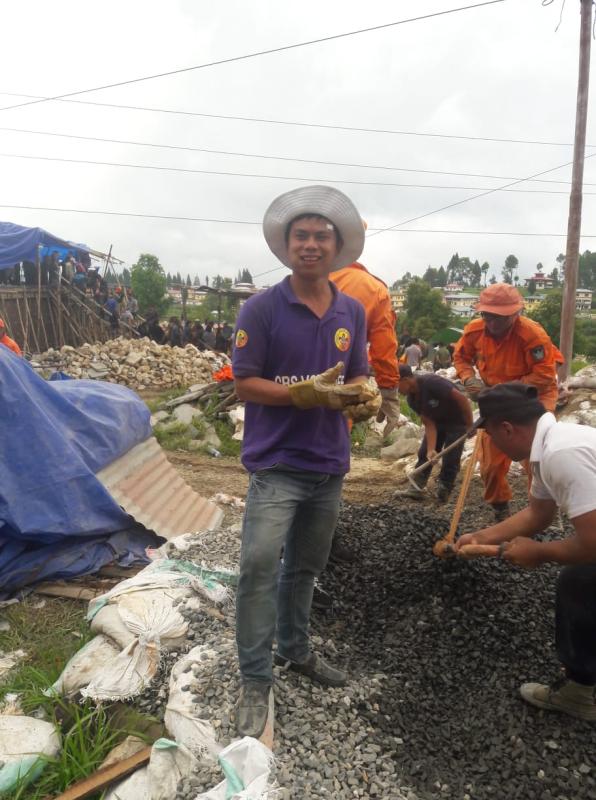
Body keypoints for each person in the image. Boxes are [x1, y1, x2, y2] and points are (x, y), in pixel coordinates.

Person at [232, 184, 380, 738]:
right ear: (287, 246)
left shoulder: (352, 311)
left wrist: (360, 394)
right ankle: (254, 678)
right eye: (302, 236)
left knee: (306, 569)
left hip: (328, 464)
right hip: (277, 465)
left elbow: (359, 368)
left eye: (322, 236)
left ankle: (296, 650)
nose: (311, 244)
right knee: (257, 567)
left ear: (337, 247)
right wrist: (300, 395)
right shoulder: (263, 308)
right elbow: (244, 382)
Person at [455, 382, 596, 721]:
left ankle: (578, 694)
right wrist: (479, 536)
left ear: (507, 428)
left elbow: (592, 544)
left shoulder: (562, 453)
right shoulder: (547, 447)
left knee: (578, 581)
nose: (491, 442)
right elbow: (538, 514)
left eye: (489, 434)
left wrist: (540, 553)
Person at [453, 283, 558, 521]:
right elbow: (461, 357)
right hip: (496, 399)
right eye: (487, 315)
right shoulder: (474, 331)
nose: (492, 322)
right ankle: (500, 509)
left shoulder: (533, 335)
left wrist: (500, 391)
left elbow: (543, 376)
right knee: (490, 464)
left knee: (537, 459)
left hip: (534, 397)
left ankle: (543, 511)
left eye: (498, 317)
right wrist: (469, 379)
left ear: (515, 314)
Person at [330, 259, 400, 435]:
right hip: (341, 382)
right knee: (333, 439)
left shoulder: (301, 278)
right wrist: (388, 391)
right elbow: (383, 350)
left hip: (290, 384)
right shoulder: (373, 289)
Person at [395, 365, 474, 502]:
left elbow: (462, 400)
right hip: (438, 423)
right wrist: (431, 450)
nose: (397, 390)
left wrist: (469, 425)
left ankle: (444, 489)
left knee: (451, 458)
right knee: (424, 452)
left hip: (457, 421)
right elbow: (429, 424)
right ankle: (416, 488)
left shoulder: (432, 383)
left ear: (406, 379)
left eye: (397, 385)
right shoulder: (411, 400)